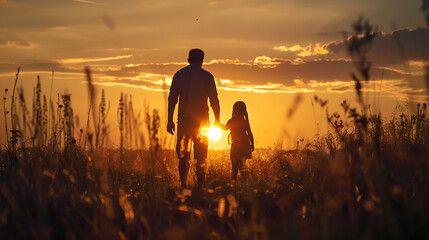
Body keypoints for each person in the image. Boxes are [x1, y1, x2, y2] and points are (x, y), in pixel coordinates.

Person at [167, 48, 220, 189]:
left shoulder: (179, 75)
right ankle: (200, 186)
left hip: (184, 122)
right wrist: (217, 120)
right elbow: (214, 100)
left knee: (183, 157)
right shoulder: (207, 76)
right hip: (203, 123)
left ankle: (183, 185)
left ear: (188, 59)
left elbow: (172, 99)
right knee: (201, 157)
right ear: (202, 60)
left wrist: (169, 120)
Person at [220, 101, 254, 182]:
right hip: (244, 145)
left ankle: (234, 184)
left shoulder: (232, 121)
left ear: (234, 110)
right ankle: (244, 183)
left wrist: (217, 124)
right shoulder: (245, 122)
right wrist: (252, 144)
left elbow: (225, 128)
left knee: (234, 168)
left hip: (235, 146)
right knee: (242, 166)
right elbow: (250, 133)